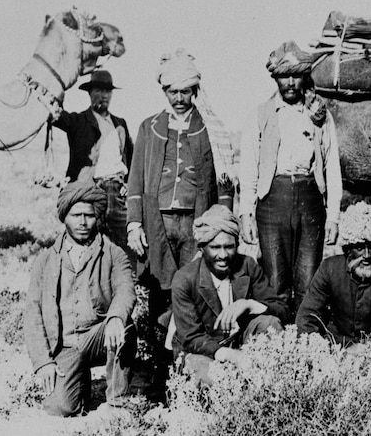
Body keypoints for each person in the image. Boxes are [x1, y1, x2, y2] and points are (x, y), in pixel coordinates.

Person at [126, 49, 235, 389]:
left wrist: (220, 222)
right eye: (172, 91)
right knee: (160, 293)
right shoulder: (149, 127)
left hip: (195, 224)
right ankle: (159, 367)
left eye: (184, 91)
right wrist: (133, 224)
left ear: (194, 91)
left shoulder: (209, 130)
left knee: (194, 289)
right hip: (157, 222)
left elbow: (224, 182)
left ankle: (188, 366)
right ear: (165, 92)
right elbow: (135, 180)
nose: (179, 98)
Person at [238, 40, 342, 315]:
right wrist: (246, 214)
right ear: (275, 78)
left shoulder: (319, 116)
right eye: (285, 76)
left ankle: (305, 340)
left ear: (305, 76)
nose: (291, 83)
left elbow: (332, 166)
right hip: (272, 200)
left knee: (308, 277)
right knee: (275, 279)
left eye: (297, 75)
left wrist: (333, 217)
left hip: (310, 200)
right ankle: (276, 340)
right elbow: (249, 168)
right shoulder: (260, 115)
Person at [24, 181, 136, 417]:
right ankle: (79, 380)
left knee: (123, 325)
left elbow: (125, 288)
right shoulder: (45, 260)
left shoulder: (114, 253)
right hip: (65, 344)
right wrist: (43, 362)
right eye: (76, 215)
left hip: (99, 336)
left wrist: (116, 317)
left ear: (98, 217)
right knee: (61, 408)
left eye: (89, 215)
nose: (83, 222)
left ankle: (117, 401)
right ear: (65, 217)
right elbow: (32, 313)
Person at [296, 202, 371, 392]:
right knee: (312, 351)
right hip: (335, 347)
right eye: (359, 247)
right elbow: (307, 317)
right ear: (348, 249)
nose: (366, 255)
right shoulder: (329, 268)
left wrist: (369, 347)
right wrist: (333, 347)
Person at [171, 205, 287, 385]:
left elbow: (281, 310)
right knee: (211, 377)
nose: (223, 255)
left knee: (269, 324)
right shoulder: (185, 279)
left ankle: (270, 390)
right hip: (202, 351)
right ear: (202, 248)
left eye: (229, 247)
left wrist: (248, 304)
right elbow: (191, 338)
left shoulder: (247, 266)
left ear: (237, 246)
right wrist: (231, 356)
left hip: (240, 343)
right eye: (215, 247)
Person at [52, 70, 133, 253]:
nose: (103, 95)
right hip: (88, 189)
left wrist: (129, 183)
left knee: (122, 243)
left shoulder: (120, 124)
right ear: (89, 93)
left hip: (115, 190)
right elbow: (55, 115)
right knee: (86, 242)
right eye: (98, 90)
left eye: (107, 91)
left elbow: (132, 159)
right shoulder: (78, 121)